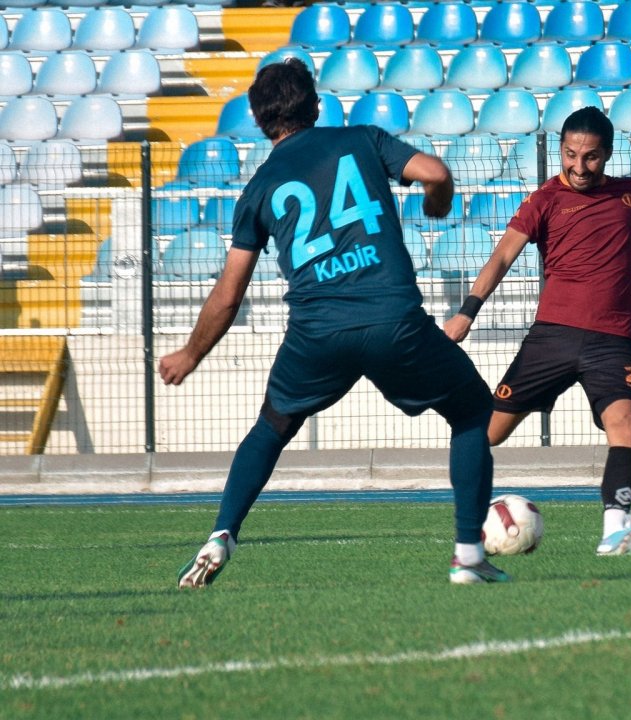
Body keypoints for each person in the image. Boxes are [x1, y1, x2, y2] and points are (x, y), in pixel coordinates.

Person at [162, 58, 508, 587]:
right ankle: (467, 555)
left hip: (317, 333)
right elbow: (435, 173)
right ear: (316, 106)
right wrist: (437, 205)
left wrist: (190, 355)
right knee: (470, 412)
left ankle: (222, 534)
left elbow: (228, 296)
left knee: (272, 427)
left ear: (258, 120)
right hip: (391, 320)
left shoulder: (258, 187)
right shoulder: (361, 139)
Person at [444, 106, 631, 556]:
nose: (577, 165)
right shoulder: (544, 200)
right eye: (570, 154)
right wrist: (467, 311)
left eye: (589, 157)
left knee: (624, 422)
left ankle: (615, 527)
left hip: (613, 341)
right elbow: (502, 257)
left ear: (606, 155)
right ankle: (470, 532)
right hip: (551, 338)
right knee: (484, 435)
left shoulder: (628, 194)